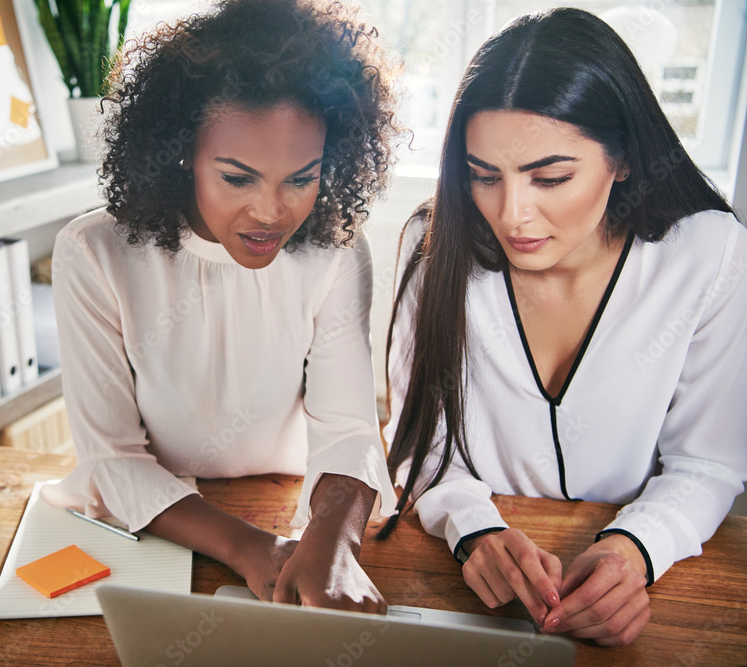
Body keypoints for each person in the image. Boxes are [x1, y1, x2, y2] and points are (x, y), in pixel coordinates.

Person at [381, 7, 746, 646]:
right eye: (483, 176)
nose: (512, 214)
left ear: (625, 160)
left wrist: (635, 550)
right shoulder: (434, 245)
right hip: (472, 614)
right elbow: (420, 442)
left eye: (550, 177)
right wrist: (473, 529)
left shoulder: (708, 255)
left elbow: (708, 463)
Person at [41, 0, 400, 612]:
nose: (271, 211)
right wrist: (251, 549)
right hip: (166, 521)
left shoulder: (337, 253)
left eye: (301, 178)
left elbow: (347, 429)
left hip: (293, 500)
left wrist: (333, 543)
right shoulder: (93, 253)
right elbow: (112, 459)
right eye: (238, 178)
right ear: (183, 152)